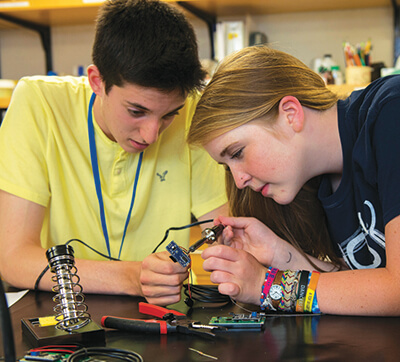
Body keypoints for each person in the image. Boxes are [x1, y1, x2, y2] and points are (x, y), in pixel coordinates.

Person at [0, 0, 227, 306]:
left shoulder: (193, 111)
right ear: (97, 81)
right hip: (63, 312)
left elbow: (227, 233)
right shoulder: (39, 103)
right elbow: (13, 259)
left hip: (161, 314)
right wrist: (132, 277)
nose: (151, 134)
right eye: (137, 111)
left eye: (169, 114)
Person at [187, 45, 400, 316]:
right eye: (227, 168)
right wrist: (280, 255)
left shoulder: (391, 112)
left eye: (238, 153)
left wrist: (268, 285)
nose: (239, 181)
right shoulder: (321, 183)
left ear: (290, 113)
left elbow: (396, 289)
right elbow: (365, 292)